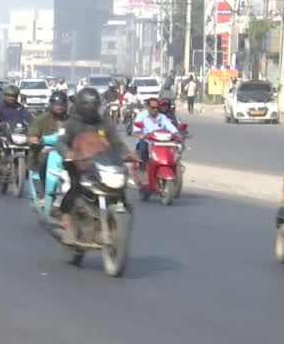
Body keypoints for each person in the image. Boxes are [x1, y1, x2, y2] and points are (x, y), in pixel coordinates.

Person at [52, 87, 138, 244]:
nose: (90, 109)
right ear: (80, 105)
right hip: (77, 165)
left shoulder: (104, 123)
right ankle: (68, 226)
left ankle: (119, 214)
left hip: (101, 165)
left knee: (120, 186)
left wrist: (128, 154)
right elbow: (61, 142)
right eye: (87, 105)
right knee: (73, 188)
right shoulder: (70, 124)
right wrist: (68, 154)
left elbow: (117, 143)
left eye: (93, 105)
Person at [26, 90, 71, 201]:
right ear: (51, 105)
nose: (59, 107)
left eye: (61, 105)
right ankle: (43, 191)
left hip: (67, 152)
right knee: (43, 160)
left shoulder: (72, 121)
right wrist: (36, 140)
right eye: (56, 105)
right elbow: (32, 135)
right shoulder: (42, 119)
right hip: (45, 151)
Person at [0, 84, 34, 171]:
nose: (11, 98)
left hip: (18, 133)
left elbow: (29, 118)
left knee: (34, 144)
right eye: (9, 96)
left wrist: (34, 125)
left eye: (14, 96)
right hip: (3, 133)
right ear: (4, 96)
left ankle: (31, 166)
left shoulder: (20, 107)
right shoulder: (0, 106)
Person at [131, 97, 182, 163]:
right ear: (148, 107)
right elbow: (136, 128)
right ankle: (143, 170)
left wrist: (177, 134)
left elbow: (170, 126)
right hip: (146, 141)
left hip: (161, 143)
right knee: (143, 149)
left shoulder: (162, 117)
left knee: (173, 153)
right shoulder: (141, 115)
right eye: (153, 107)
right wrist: (140, 134)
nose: (155, 110)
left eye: (157, 108)